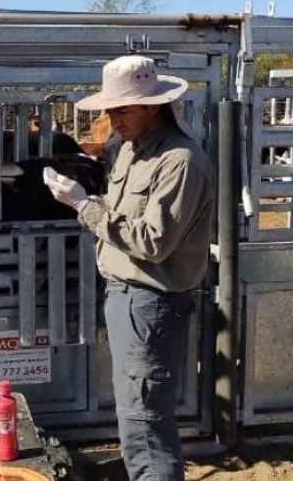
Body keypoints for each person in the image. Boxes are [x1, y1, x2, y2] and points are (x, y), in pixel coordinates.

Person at [43, 55, 214, 481]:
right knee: (136, 413)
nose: (112, 119)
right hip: (128, 299)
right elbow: (127, 220)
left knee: (144, 424)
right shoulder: (132, 152)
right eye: (110, 108)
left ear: (153, 106)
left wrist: (85, 206)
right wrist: (86, 201)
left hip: (150, 301)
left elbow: (153, 242)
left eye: (122, 108)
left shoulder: (179, 161)